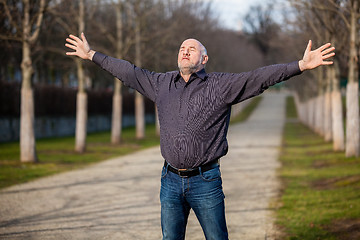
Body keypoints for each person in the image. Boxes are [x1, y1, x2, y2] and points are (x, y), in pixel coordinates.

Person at [65, 33, 335, 240]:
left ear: (203, 60)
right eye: (182, 48)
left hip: (206, 181)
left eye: (191, 49)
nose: (185, 51)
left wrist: (299, 65)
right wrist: (91, 55)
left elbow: (259, 77)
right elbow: (128, 72)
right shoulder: (160, 84)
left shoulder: (220, 86)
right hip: (169, 181)